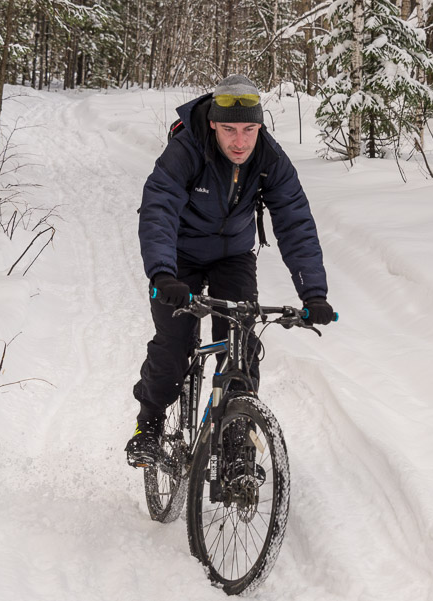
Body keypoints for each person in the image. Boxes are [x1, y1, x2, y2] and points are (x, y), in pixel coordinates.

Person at [127, 74, 334, 467]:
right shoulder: (187, 150)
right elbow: (159, 208)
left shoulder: (269, 157)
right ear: (212, 126)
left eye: (249, 130)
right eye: (229, 130)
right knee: (173, 345)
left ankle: (237, 441)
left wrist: (314, 293)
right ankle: (148, 426)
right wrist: (161, 273)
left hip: (233, 257)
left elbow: (295, 222)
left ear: (260, 127)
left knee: (241, 344)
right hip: (178, 258)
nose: (240, 141)